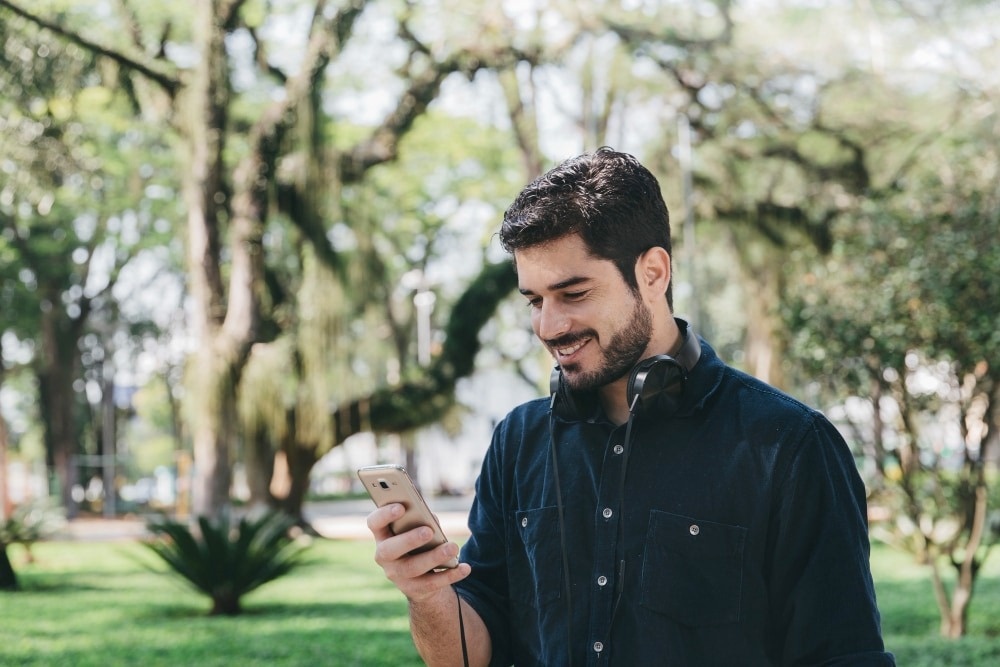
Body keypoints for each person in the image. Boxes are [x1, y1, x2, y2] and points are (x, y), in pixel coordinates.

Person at [366, 147, 894, 666]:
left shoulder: (790, 446)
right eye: (535, 300)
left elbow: (844, 654)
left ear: (653, 274)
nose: (549, 327)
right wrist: (429, 596)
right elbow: (471, 653)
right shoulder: (518, 441)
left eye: (573, 294)